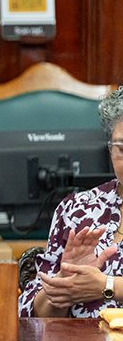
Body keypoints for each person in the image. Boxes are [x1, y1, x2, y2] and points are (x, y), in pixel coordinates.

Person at [19, 87, 123, 318]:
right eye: (121, 149)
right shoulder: (77, 209)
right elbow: (36, 317)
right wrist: (65, 283)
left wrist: (108, 286)